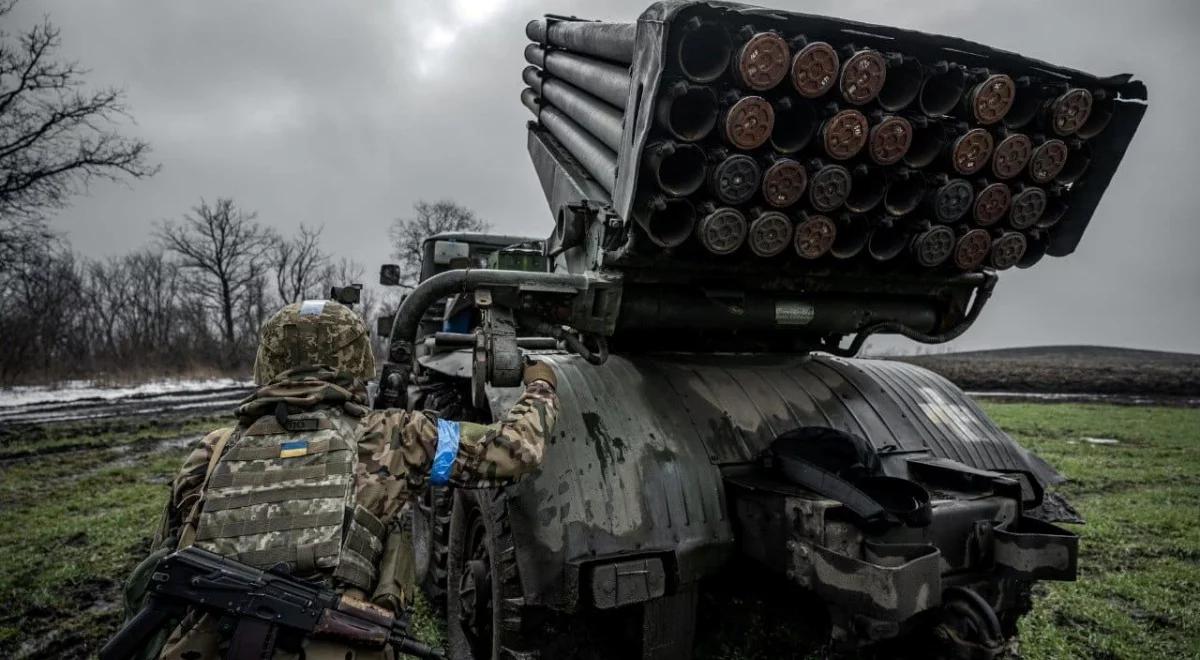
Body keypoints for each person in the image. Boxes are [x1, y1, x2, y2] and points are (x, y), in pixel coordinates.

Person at [124, 299, 559, 659]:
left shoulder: (212, 450)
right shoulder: (396, 438)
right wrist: (540, 385)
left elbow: (160, 565)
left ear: (268, 363)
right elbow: (515, 450)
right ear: (357, 362)